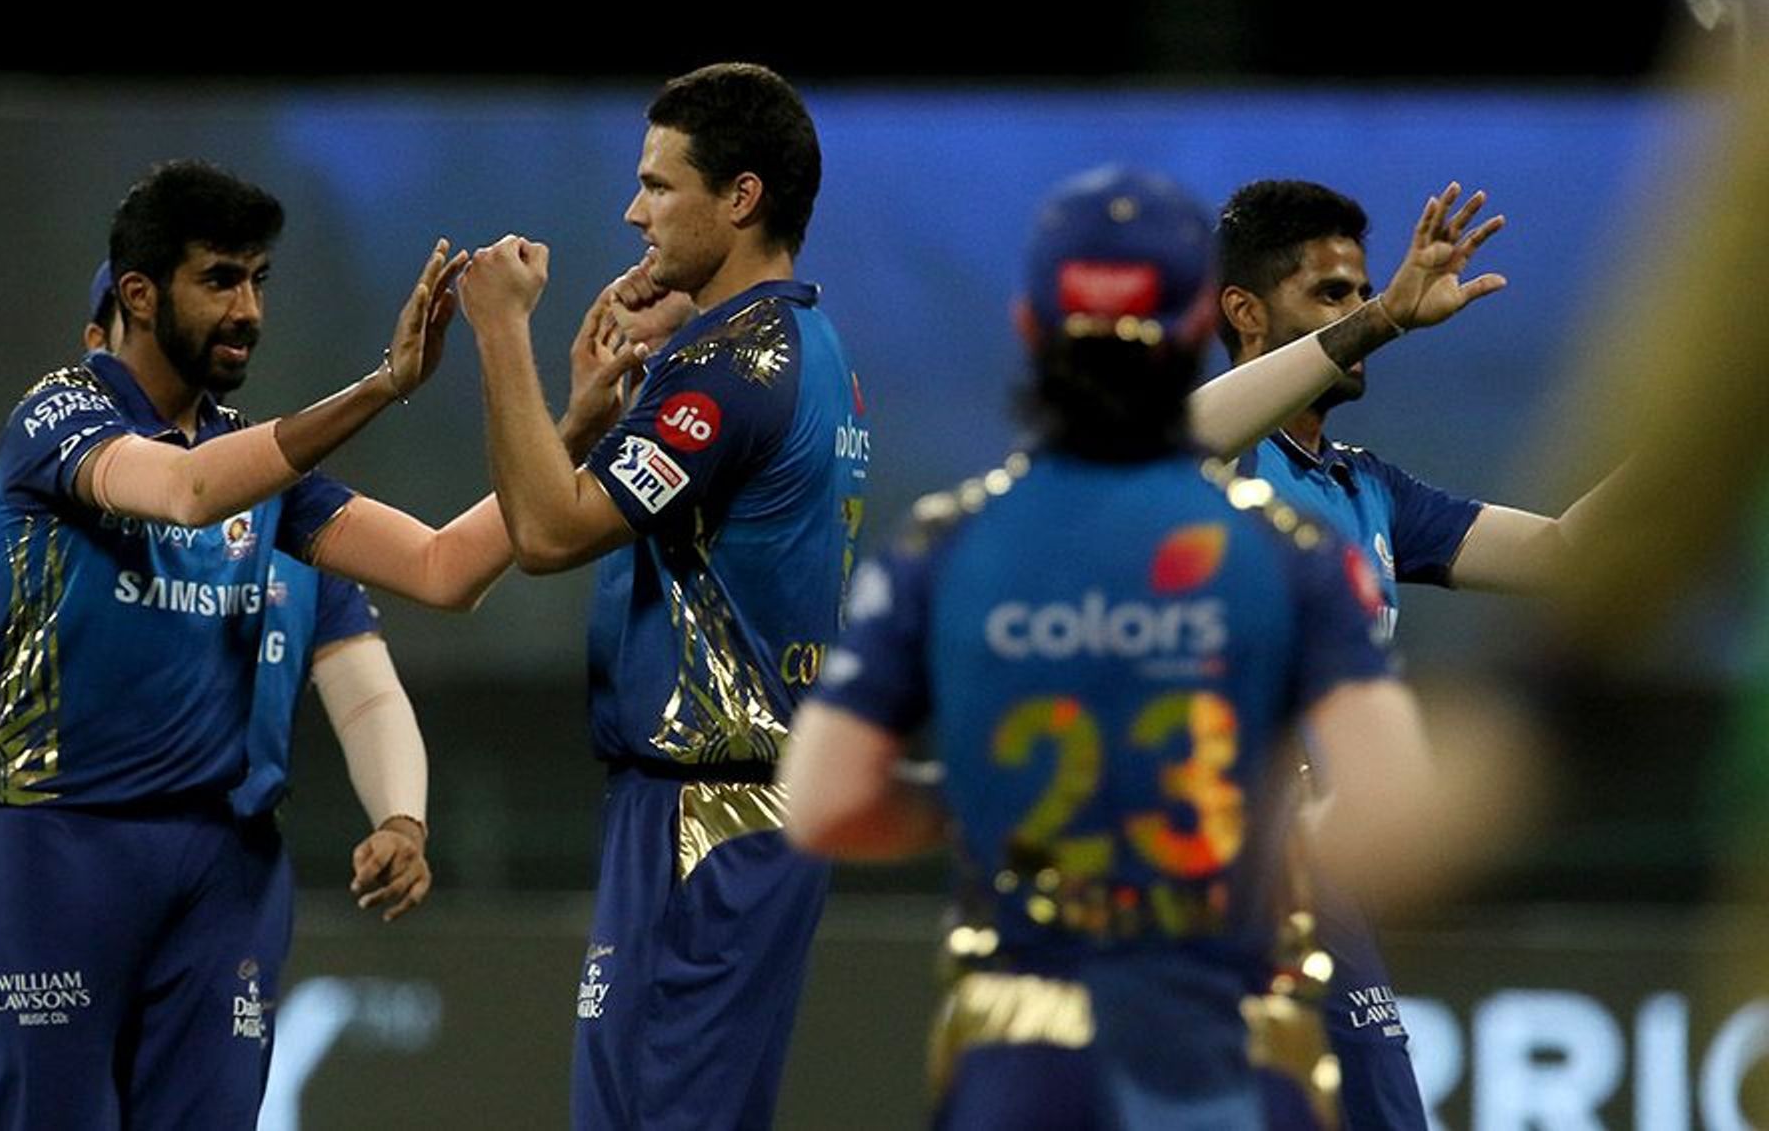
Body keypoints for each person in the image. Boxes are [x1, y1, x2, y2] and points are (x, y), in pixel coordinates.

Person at [0, 158, 622, 1129]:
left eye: (258, 280)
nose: (249, 308)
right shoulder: (55, 423)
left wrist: (567, 438)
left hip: (223, 872)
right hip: (56, 849)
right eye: (221, 279)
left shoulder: (267, 482)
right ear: (136, 295)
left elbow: (441, 568)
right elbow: (183, 493)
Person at [779, 164, 1436, 1129]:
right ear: (1194, 333)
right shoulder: (1289, 557)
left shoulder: (944, 545)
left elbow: (824, 802)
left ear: (1029, 328)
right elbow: (1397, 811)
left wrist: (968, 801)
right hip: (1229, 1041)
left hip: (1020, 1059)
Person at [0, 261, 437, 1098]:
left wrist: (402, 818)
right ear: (103, 338)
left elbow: (370, 686)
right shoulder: (4, 515)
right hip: (59, 850)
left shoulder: (281, 505)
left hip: (226, 868)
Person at [452, 62, 862, 1129]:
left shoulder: (730, 370)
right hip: (730, 809)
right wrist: (592, 410)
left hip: (706, 813)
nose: (632, 210)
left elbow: (544, 534)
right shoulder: (802, 343)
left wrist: (499, 330)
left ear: (740, 198)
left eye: (659, 185)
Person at [1216, 177, 1618, 1129]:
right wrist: (1387, 319)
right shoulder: (1204, 456)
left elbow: (1566, 552)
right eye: (1332, 293)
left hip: (1320, 873)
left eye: (1362, 291)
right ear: (1243, 311)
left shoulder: (1368, 489)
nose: (1361, 308)